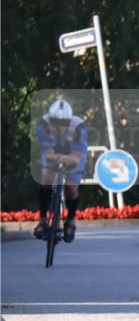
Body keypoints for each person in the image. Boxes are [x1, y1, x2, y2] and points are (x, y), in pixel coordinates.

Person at [34, 99, 87, 243]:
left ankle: (70, 220)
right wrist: (58, 158)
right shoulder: (43, 125)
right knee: (46, 178)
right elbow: (49, 154)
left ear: (70, 121)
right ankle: (43, 219)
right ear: (50, 119)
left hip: (73, 154)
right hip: (53, 152)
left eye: (64, 123)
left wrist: (67, 159)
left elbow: (76, 158)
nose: (60, 126)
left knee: (70, 187)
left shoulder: (79, 127)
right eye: (56, 122)